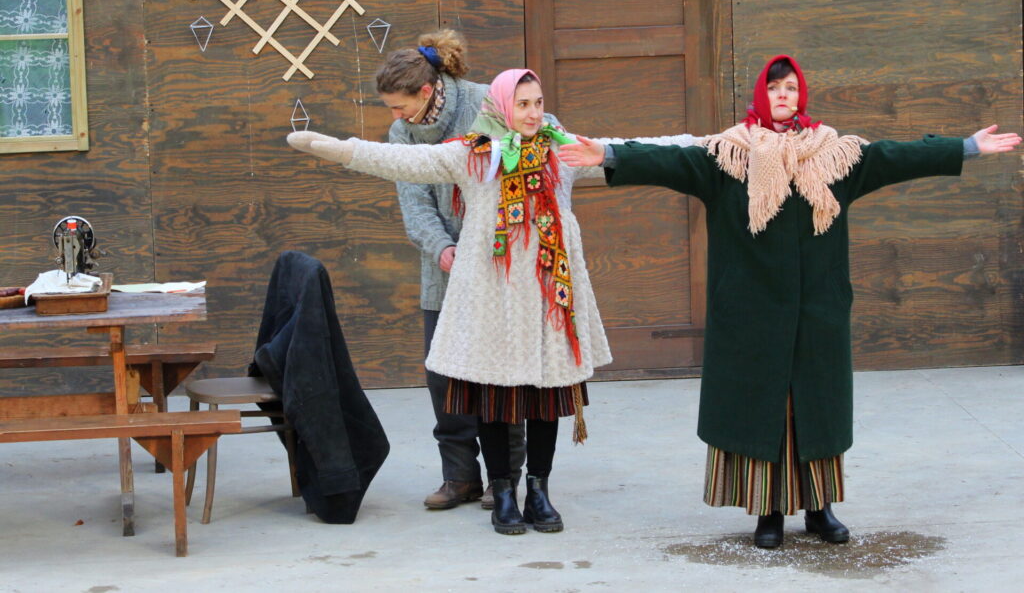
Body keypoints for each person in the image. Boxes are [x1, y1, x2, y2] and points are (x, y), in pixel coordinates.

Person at [558, 54, 1021, 548]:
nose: (783, 95)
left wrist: (967, 147)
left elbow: (895, 156)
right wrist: (608, 154)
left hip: (818, 311)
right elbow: (668, 162)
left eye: (792, 88)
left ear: (801, 96)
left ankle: (821, 509)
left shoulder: (835, 155)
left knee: (814, 409)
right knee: (765, 410)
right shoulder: (728, 156)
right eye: (775, 87)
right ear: (762, 94)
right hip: (750, 313)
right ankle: (769, 513)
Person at [288, 68, 700, 534]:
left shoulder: (560, 151)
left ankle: (538, 490)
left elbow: (639, 149)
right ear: (503, 106)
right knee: (492, 398)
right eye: (523, 104)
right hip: (491, 298)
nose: (533, 113)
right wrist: (335, 148)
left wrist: (712, 143)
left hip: (545, 297)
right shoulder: (473, 154)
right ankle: (502, 491)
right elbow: (402, 161)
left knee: (544, 398)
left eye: (538, 103)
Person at [374, 29, 524, 511]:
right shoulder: (403, 134)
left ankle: (506, 477)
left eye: (399, 107)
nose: (395, 117)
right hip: (443, 275)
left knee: (501, 376)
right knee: (444, 377)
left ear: (425, 91)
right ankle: (460, 478)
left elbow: (543, 138)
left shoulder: (487, 103)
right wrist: (442, 248)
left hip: (500, 266)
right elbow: (415, 204)